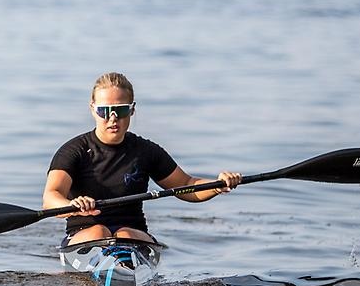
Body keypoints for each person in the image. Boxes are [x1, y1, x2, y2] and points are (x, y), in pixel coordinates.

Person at [43, 72, 241, 246]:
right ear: (92, 109)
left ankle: (122, 268)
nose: (113, 118)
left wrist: (217, 185)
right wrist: (74, 206)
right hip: (84, 234)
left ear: (132, 109)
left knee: (125, 235)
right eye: (104, 111)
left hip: (132, 234)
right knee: (99, 232)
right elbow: (51, 197)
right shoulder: (73, 151)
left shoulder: (146, 151)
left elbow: (187, 185)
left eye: (120, 110)